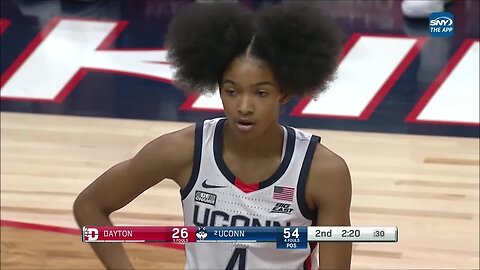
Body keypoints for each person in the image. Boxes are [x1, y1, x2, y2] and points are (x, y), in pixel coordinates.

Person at [73, 1, 352, 269]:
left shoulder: (323, 172)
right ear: (217, 87)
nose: (244, 107)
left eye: (261, 93)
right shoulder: (183, 150)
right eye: (232, 91)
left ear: (285, 93)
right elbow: (90, 206)